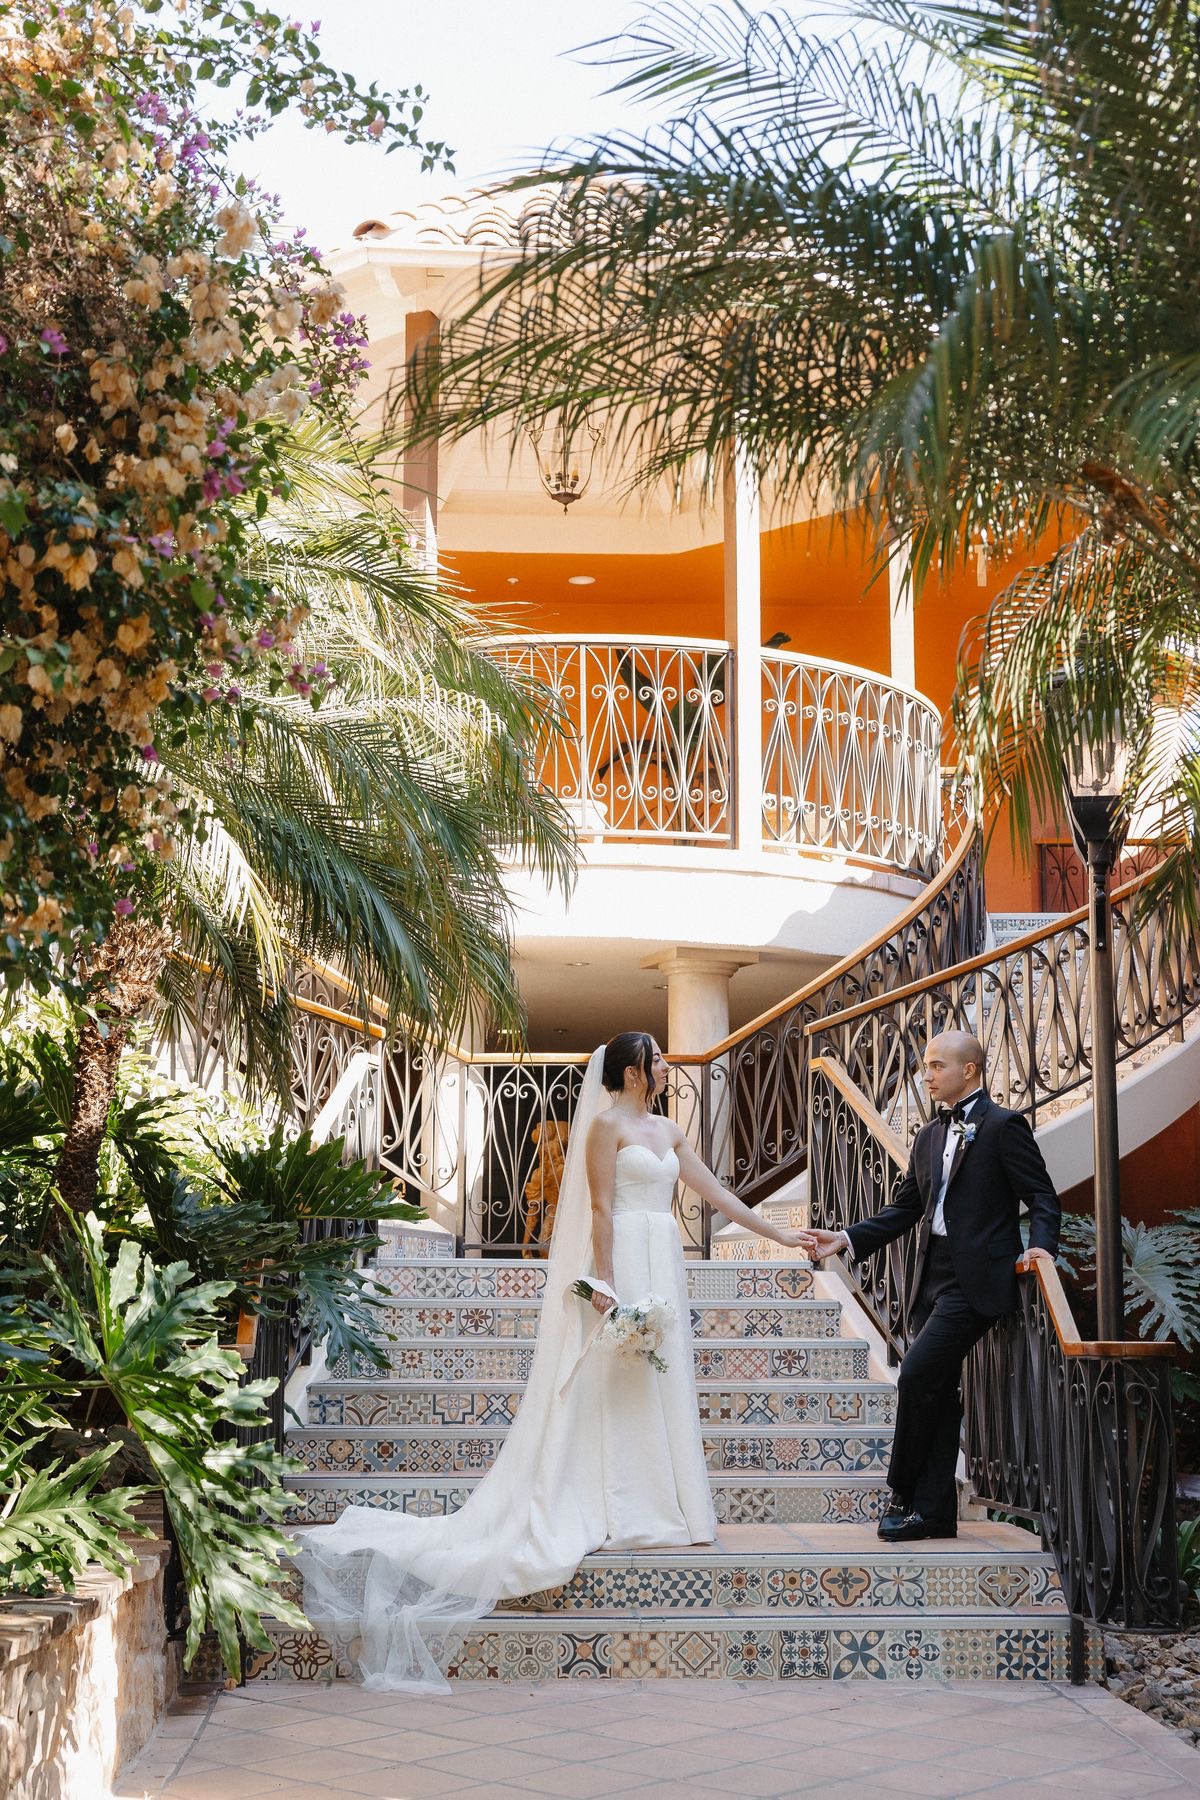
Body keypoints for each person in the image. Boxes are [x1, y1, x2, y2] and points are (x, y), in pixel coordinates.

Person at [295, 1031, 806, 1689]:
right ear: (632, 1069)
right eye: (657, 1059)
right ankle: (613, 1503)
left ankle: (665, 1506)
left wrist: (786, 1233)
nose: (667, 1066)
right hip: (622, 1258)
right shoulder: (602, 1126)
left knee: (659, 1381)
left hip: (664, 1262)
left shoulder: (668, 1132)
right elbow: (597, 1206)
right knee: (608, 1382)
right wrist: (605, 1284)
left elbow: (723, 1197)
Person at [801, 1030, 1060, 1543]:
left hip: (977, 1280)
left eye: (937, 1065)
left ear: (969, 1070)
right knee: (939, 1393)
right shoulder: (926, 1136)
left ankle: (900, 1490)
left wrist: (1042, 1248)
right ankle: (934, 1511)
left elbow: (1042, 1195)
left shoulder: (1005, 1127)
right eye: (925, 1065)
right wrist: (846, 1238)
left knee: (917, 1375)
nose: (926, 1074)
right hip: (930, 1277)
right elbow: (906, 1209)